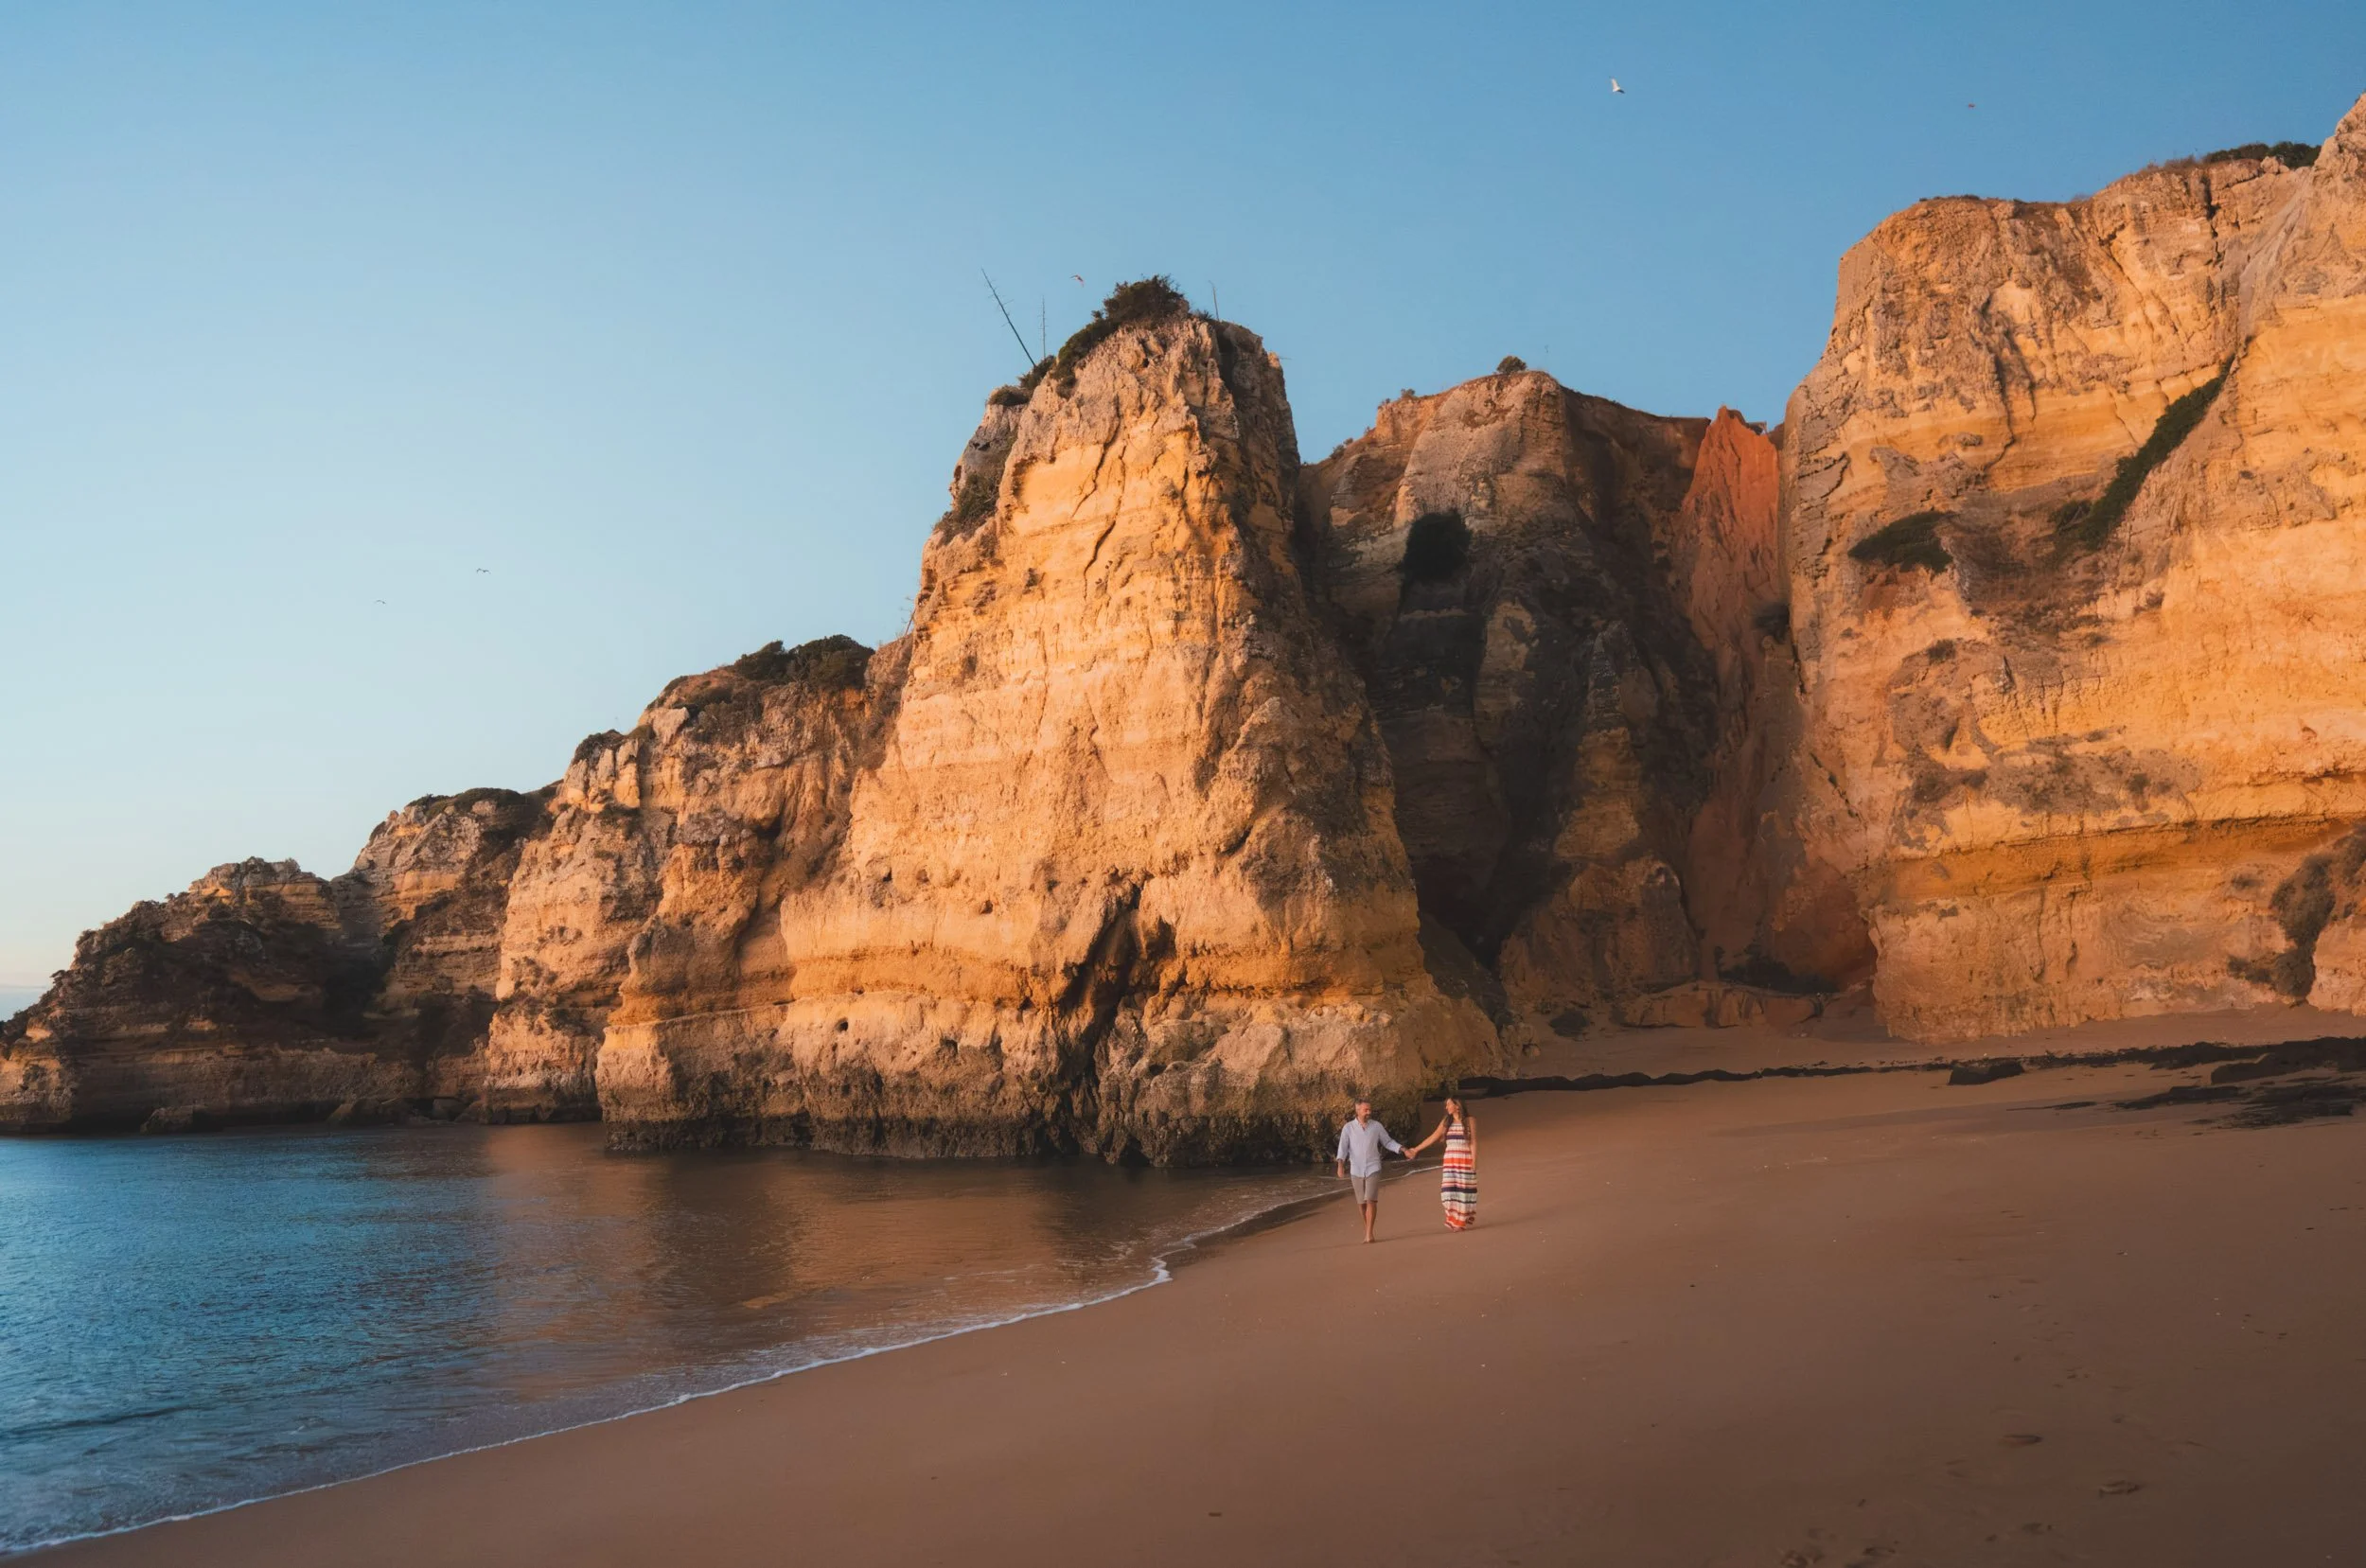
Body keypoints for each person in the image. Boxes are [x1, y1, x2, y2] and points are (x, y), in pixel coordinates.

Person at [1335, 1097, 1411, 1243]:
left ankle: (1369, 1234)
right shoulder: (1348, 1128)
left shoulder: (1376, 1126)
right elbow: (1343, 1148)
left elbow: (1388, 1142)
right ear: (1358, 1110)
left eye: (1370, 1110)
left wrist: (1403, 1149)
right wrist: (1340, 1165)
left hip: (1373, 1167)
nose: (1369, 1112)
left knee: (1370, 1200)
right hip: (1356, 1169)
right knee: (1361, 1204)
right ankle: (1367, 1230)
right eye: (1366, 1110)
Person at [1404, 1094, 1478, 1230]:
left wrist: (1474, 1162)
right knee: (1447, 1193)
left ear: (1457, 1105)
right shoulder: (1446, 1121)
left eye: (1449, 1104)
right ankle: (1454, 1219)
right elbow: (1433, 1137)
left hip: (1465, 1160)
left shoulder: (1470, 1121)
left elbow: (1473, 1142)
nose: (1446, 1107)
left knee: (1464, 1192)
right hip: (1450, 1161)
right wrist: (1416, 1149)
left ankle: (1460, 1223)